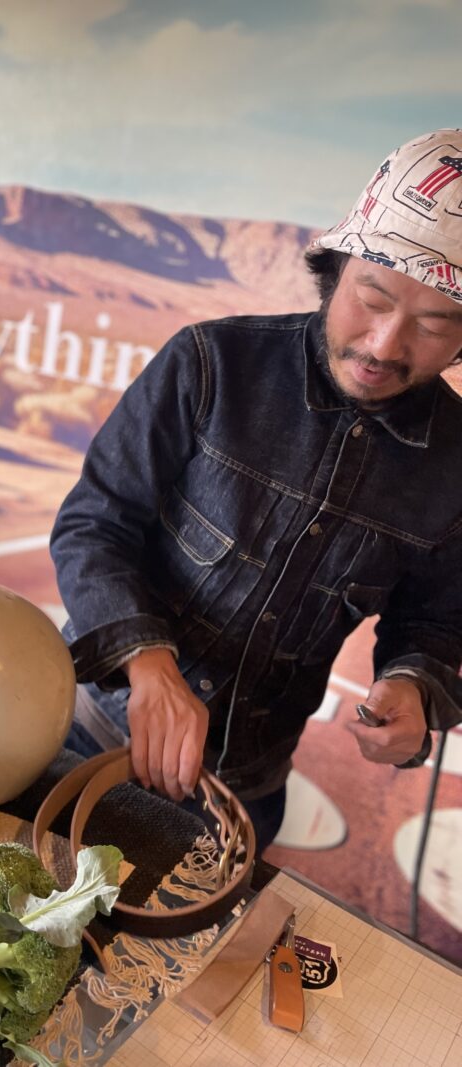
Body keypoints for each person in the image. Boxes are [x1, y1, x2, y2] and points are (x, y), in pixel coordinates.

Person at [50, 128, 462, 853]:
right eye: (371, 298)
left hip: (241, 791)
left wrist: (412, 685)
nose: (384, 345)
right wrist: (149, 664)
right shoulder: (211, 363)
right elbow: (94, 524)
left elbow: (436, 622)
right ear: (336, 269)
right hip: (82, 734)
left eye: (432, 326)